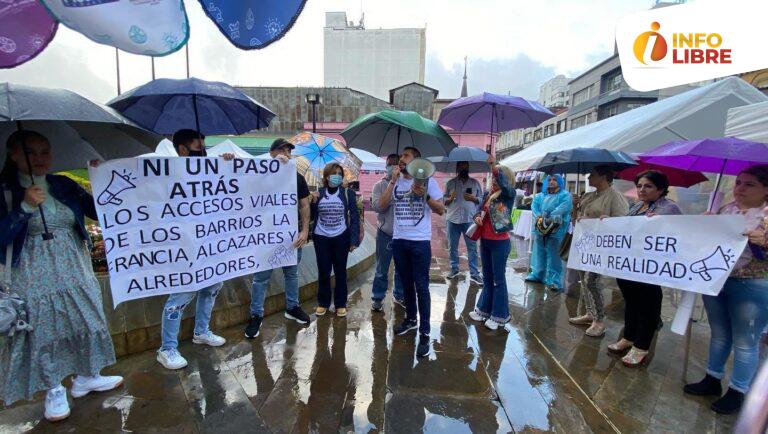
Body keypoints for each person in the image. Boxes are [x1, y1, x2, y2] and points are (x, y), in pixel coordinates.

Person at [0, 130, 122, 421]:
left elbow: (99, 211)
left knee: (86, 317)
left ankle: (87, 375)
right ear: (14, 154)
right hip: (32, 274)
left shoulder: (63, 184)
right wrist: (24, 208)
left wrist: (100, 181)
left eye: (45, 152)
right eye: (31, 152)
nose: (40, 159)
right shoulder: (5, 192)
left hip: (75, 267)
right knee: (45, 329)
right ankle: (53, 388)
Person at [684, 165, 768, 414]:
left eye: (749, 184)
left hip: (752, 285)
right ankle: (712, 377)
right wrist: (707, 224)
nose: (740, 188)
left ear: (766, 189)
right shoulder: (726, 209)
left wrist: (764, 241)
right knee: (719, 333)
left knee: (745, 341)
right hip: (717, 280)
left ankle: (738, 391)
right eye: (739, 182)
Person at [156, 129, 236, 370]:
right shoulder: (168, 174)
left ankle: (201, 331)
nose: (203, 153)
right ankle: (167, 348)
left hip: (209, 246)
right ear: (182, 149)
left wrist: (226, 167)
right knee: (179, 296)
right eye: (198, 148)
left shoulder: (208, 170)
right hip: (183, 247)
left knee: (212, 286)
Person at [607, 170, 681, 367]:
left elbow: (677, 234)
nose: (641, 189)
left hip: (650, 267)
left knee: (648, 305)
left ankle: (641, 346)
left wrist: (660, 223)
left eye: (647, 186)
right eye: (639, 185)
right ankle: (629, 337)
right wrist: (607, 223)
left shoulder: (669, 208)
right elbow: (625, 227)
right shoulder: (637, 206)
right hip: (629, 265)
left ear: (661, 189)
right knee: (630, 301)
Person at [378, 147, 445, 357]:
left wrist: (424, 196)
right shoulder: (395, 181)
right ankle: (410, 319)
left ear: (416, 161)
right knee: (406, 284)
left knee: (422, 286)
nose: (401, 158)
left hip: (419, 242)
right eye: (401, 156)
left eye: (406, 155)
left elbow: (441, 209)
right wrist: (392, 181)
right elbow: (381, 206)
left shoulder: (428, 181)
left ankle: (425, 332)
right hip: (399, 241)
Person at [245, 138, 312, 338]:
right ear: (271, 153)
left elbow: (304, 205)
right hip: (265, 237)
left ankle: (292, 307)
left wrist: (305, 231)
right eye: (282, 150)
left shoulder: (296, 177)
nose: (286, 154)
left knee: (292, 274)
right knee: (261, 278)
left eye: (289, 151)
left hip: (290, 236)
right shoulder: (258, 175)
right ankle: (256, 315)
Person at [568, 166, 628, 337]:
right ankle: (590, 312)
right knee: (583, 279)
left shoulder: (615, 196)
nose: (588, 178)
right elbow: (576, 221)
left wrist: (605, 221)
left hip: (601, 248)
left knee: (591, 281)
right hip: (584, 245)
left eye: (592, 175)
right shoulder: (588, 196)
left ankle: (599, 320)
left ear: (603, 176)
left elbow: (623, 223)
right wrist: (575, 207)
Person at [467, 163, 516, 330]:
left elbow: (506, 187)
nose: (494, 181)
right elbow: (478, 209)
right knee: (487, 277)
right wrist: (476, 217)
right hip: (486, 241)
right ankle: (484, 310)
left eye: (498, 178)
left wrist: (496, 169)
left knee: (498, 280)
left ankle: (499, 315)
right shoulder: (489, 195)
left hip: (500, 242)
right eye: (493, 178)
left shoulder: (508, 195)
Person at [311, 163, 360, 317]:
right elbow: (311, 215)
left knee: (340, 272)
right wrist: (312, 201)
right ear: (326, 176)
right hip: (321, 237)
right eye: (334, 173)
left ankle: (340, 304)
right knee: (324, 270)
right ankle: (323, 303)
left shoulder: (347, 193)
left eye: (339, 173)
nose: (337, 176)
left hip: (341, 237)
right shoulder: (319, 193)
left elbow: (355, 217)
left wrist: (353, 240)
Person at [370, 154, 405, 311]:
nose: (393, 167)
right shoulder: (379, 185)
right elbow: (379, 207)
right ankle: (378, 297)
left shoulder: (407, 184)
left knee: (401, 268)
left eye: (396, 164)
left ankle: (399, 294)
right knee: (381, 269)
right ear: (386, 166)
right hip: (385, 232)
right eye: (390, 164)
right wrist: (392, 182)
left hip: (404, 234)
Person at [526, 174, 572, 291]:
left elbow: (563, 208)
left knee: (554, 255)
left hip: (556, 230)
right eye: (549, 180)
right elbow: (534, 207)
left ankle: (554, 280)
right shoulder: (540, 196)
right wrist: (540, 217)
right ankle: (537, 274)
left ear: (560, 182)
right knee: (539, 252)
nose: (551, 182)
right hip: (540, 229)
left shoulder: (565, 195)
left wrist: (550, 216)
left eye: (555, 180)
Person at [443, 161, 483, 283]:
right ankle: (454, 269)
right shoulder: (450, 183)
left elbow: (481, 200)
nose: (463, 169)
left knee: (472, 248)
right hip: (452, 219)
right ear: (457, 168)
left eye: (465, 167)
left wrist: (474, 198)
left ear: (468, 168)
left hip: (469, 220)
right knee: (452, 247)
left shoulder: (475, 183)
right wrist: (450, 198)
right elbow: (444, 201)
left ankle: (474, 273)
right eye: (461, 167)